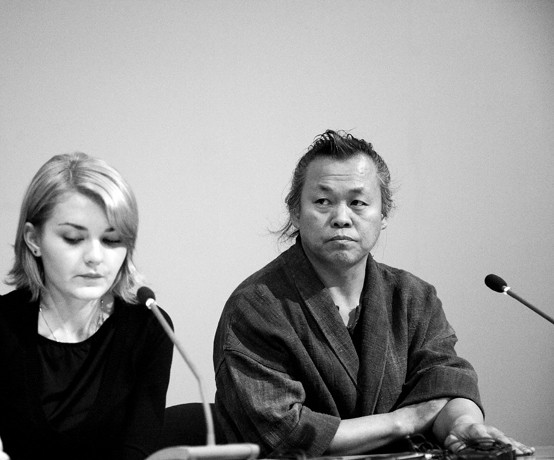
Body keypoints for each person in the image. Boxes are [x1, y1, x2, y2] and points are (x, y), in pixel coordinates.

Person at [213, 130, 534, 458]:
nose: (341, 218)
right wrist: (403, 421)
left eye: (358, 203)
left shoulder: (412, 297)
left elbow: (443, 382)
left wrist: (462, 424)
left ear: (383, 215)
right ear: (295, 212)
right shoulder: (256, 306)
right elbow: (285, 432)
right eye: (323, 202)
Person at [0, 153, 174, 460]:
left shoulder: (148, 327)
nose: (95, 256)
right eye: (73, 238)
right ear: (33, 239)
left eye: (112, 240)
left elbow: (138, 450)